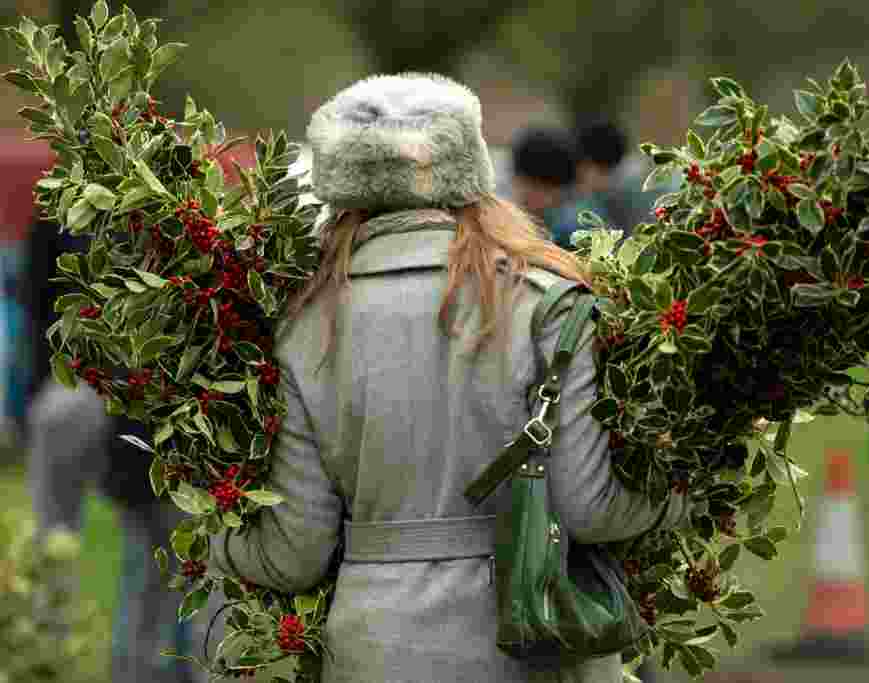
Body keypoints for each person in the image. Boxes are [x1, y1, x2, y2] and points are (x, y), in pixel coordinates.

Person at [206, 72, 689, 682]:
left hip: (377, 648)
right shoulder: (547, 301)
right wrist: (680, 494)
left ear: (340, 190)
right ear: (471, 174)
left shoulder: (304, 325)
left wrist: (214, 536)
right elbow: (589, 508)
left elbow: (295, 550)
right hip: (527, 641)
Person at [18, 215, 197, 683]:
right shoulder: (165, 210)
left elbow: (33, 306)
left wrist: (27, 396)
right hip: (128, 396)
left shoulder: (57, 210)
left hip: (93, 390)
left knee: (60, 539)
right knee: (152, 547)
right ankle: (132, 664)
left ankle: (47, 653)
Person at [507, 125, 580, 246]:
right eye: (534, 186)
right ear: (516, 179)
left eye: (549, 190)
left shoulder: (572, 235)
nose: (543, 199)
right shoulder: (495, 228)